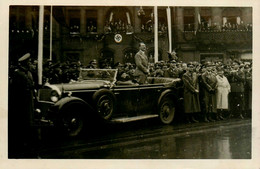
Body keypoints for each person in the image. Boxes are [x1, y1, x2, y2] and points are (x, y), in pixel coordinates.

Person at [9, 53, 36, 157]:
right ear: (25, 63)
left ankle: (25, 142)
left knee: (28, 121)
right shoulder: (18, 74)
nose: (30, 64)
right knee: (21, 122)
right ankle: (20, 145)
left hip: (28, 100)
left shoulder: (27, 73)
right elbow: (17, 90)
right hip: (21, 102)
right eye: (29, 62)